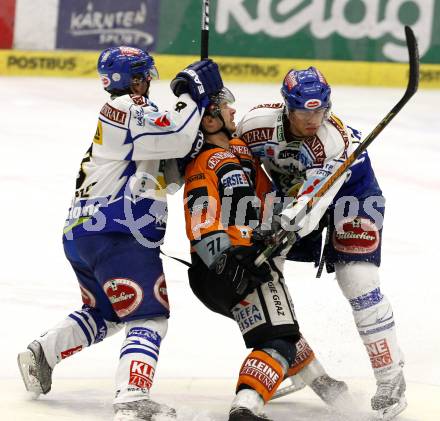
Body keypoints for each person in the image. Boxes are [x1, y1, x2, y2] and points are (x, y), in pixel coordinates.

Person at [17, 46, 223, 421]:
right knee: (149, 316)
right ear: (135, 79)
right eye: (145, 75)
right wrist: (190, 94)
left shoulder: (126, 117)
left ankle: (42, 354)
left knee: (108, 311)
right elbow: (174, 134)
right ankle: (131, 397)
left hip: (85, 232)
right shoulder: (130, 107)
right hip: (118, 231)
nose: (149, 82)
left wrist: (194, 135)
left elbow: (168, 173)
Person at [236, 67, 407, 420]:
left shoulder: (333, 141)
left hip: (353, 196)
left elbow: (312, 204)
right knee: (265, 279)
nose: (313, 120)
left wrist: (284, 225)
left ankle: (391, 380)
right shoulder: (255, 125)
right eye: (304, 113)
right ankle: (295, 362)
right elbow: (241, 171)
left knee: (357, 281)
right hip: (291, 199)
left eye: (320, 111)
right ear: (287, 107)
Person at [182, 87, 347, 421]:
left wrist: (305, 208)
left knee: (280, 326)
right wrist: (225, 256)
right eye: (225, 108)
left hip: (250, 258)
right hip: (226, 267)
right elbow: (200, 218)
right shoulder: (204, 162)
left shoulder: (242, 150)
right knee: (278, 341)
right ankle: (245, 407)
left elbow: (269, 199)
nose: (233, 112)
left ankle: (322, 383)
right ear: (210, 121)